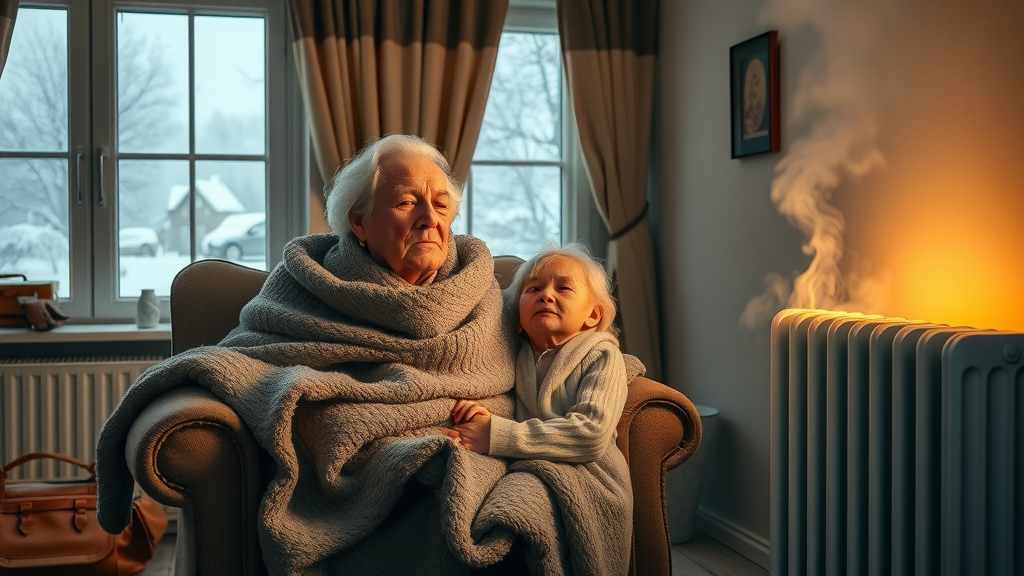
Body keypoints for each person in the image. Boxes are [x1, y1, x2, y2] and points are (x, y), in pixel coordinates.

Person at [97, 134, 631, 576]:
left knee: (527, 507)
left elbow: (551, 361)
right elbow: (243, 359)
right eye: (406, 203)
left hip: (477, 449)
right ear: (359, 221)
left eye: (441, 204)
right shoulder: (308, 286)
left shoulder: (486, 293)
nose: (430, 219)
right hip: (363, 465)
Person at [450, 244, 633, 574]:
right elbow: (500, 402)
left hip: (590, 475)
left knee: (519, 505)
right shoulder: (515, 355)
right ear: (517, 314)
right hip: (529, 463)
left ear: (593, 315)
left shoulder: (602, 356)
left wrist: (496, 434)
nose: (546, 295)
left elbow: (590, 434)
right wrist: (481, 411)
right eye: (533, 288)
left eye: (563, 288)